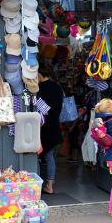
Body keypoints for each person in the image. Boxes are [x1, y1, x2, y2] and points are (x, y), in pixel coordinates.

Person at [38, 63, 64, 194]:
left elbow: (41, 108)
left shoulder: (38, 89)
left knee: (36, 154)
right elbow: (59, 107)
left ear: (39, 75)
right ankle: (50, 184)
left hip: (41, 126)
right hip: (54, 125)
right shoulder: (57, 88)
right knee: (49, 156)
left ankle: (36, 185)